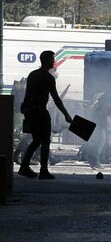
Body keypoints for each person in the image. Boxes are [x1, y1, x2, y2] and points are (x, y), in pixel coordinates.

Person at [18, 50, 73, 179]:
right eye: (53, 59)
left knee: (36, 140)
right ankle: (43, 170)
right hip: (41, 112)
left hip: (31, 112)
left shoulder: (32, 75)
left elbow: (28, 94)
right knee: (45, 141)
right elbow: (56, 98)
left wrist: (25, 108)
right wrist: (66, 114)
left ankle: (24, 166)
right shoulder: (48, 78)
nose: (54, 61)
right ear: (47, 60)